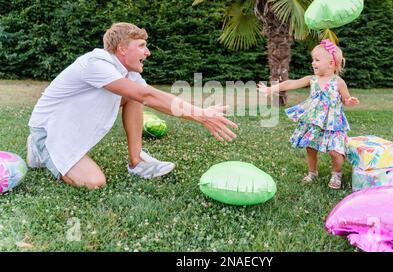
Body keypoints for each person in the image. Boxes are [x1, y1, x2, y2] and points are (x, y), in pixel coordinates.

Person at [27, 22, 238, 190]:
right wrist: (201, 114)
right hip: (50, 129)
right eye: (142, 46)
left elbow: (145, 96)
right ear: (122, 49)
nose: (148, 53)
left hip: (69, 125)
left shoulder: (129, 73)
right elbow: (147, 95)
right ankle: (39, 147)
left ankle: (137, 162)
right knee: (94, 182)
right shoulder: (96, 64)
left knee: (133, 96)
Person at [258, 39, 359, 189]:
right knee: (311, 148)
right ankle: (312, 172)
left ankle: (336, 174)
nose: (313, 63)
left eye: (317, 60)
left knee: (335, 152)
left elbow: (345, 99)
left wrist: (349, 101)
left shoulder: (339, 82)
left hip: (333, 124)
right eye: (313, 59)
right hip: (314, 121)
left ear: (331, 63)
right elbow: (290, 83)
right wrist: (271, 89)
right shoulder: (312, 80)